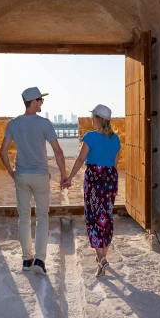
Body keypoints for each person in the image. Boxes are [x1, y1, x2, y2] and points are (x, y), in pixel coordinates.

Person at [0, 87, 67, 275]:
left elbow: (3, 152)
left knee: (23, 218)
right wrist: (63, 175)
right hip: (40, 176)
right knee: (42, 216)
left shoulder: (13, 124)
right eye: (41, 100)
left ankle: (26, 260)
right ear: (34, 102)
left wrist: (11, 172)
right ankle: (39, 260)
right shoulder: (44, 124)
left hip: (21, 175)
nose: (42, 104)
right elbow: (58, 152)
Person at [61, 104, 121, 277]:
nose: (91, 120)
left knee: (94, 218)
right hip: (110, 180)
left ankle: (101, 258)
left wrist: (69, 177)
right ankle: (102, 261)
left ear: (98, 119)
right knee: (106, 218)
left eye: (93, 117)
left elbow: (80, 159)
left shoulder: (90, 137)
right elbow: (115, 164)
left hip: (94, 180)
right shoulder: (116, 139)